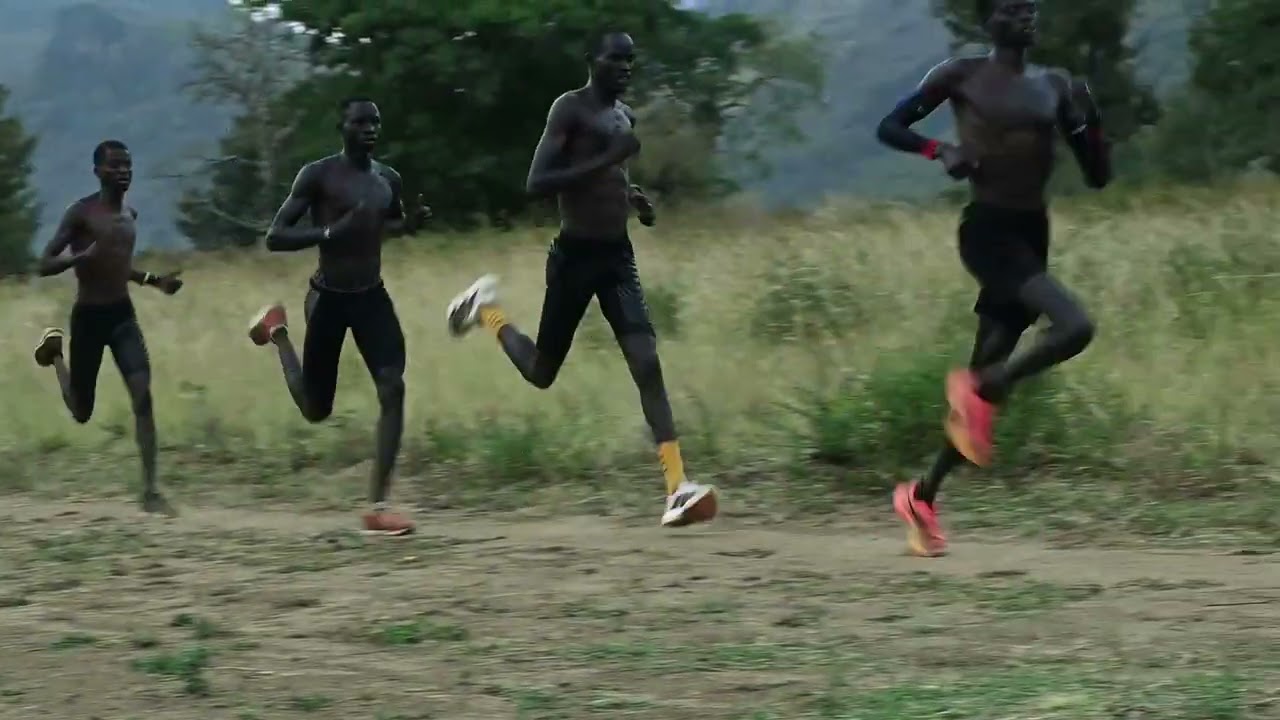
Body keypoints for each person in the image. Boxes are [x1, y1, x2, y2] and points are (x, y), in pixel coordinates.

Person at [443, 31, 718, 528]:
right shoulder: (568, 110)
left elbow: (612, 178)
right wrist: (609, 158)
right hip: (575, 258)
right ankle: (486, 310)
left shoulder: (624, 116)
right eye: (615, 59)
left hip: (618, 257)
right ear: (591, 60)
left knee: (646, 361)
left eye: (631, 60)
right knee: (542, 372)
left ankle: (677, 486)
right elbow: (538, 182)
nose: (625, 67)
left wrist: (633, 199)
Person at [875, 0, 1111, 556]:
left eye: (1031, 6)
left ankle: (921, 497)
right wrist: (941, 150)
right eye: (1011, 7)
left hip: (1033, 234)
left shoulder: (1055, 86)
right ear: (989, 20)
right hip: (987, 232)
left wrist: (1091, 119)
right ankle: (980, 389)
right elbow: (890, 125)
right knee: (1074, 327)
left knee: (988, 373)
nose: (1026, 13)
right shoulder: (961, 76)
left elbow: (1099, 175)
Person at [247, 97, 431, 536]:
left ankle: (379, 506)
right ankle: (277, 333)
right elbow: (276, 236)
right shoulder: (318, 175)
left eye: (375, 122)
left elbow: (385, 224)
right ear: (342, 127)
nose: (369, 129)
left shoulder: (389, 179)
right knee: (315, 408)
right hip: (327, 298)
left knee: (393, 388)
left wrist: (411, 226)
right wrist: (330, 231)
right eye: (359, 122)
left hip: (372, 297)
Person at [33, 140, 184, 516]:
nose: (123, 171)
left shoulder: (130, 215)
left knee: (143, 394)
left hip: (122, 316)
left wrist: (155, 281)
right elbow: (44, 263)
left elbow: (119, 267)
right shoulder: (81, 214)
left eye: (128, 165)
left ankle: (150, 491)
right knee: (82, 411)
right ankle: (55, 359)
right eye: (115, 165)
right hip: (88, 319)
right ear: (97, 171)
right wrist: (81, 256)